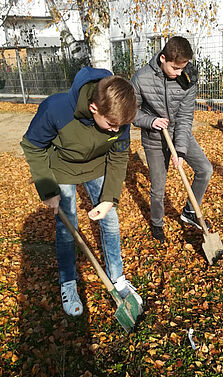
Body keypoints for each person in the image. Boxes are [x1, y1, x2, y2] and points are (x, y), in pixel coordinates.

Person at [21, 66, 143, 317]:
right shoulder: (56, 109)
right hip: (63, 169)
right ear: (94, 107)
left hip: (98, 168)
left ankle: (117, 278)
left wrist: (109, 198)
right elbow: (32, 146)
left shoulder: (119, 117)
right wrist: (48, 190)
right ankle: (68, 282)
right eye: (111, 125)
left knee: (110, 219)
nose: (115, 130)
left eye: (119, 126)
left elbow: (119, 158)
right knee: (67, 228)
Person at [131, 36, 213, 243]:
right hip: (154, 138)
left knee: (205, 169)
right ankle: (157, 224)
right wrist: (151, 121)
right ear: (163, 59)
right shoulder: (141, 78)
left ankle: (189, 212)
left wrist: (181, 150)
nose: (179, 73)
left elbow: (186, 116)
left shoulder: (187, 77)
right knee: (158, 186)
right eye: (175, 68)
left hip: (179, 131)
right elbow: (130, 112)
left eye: (182, 68)